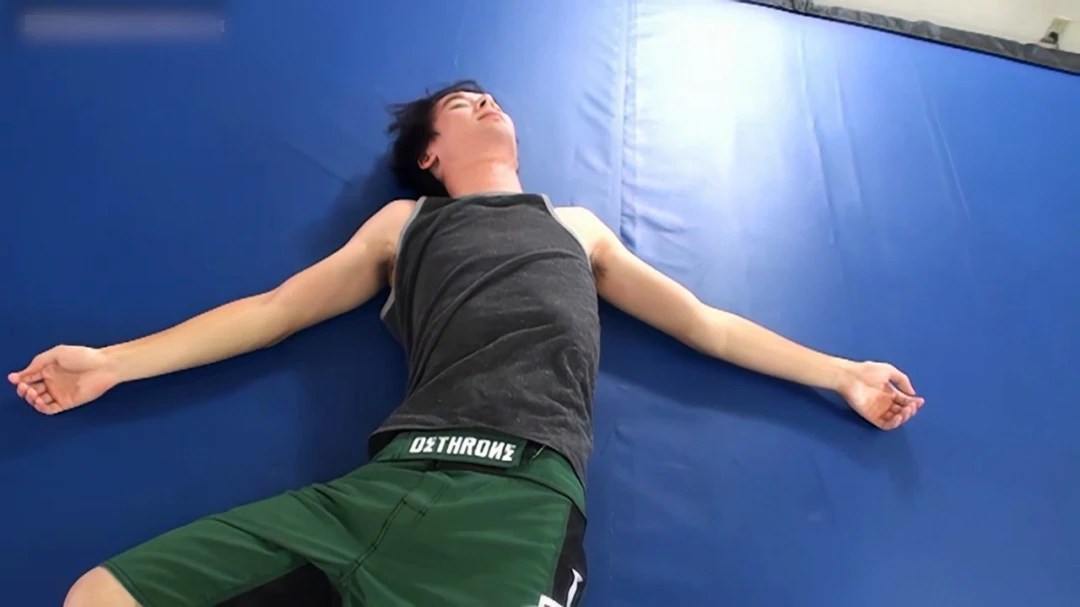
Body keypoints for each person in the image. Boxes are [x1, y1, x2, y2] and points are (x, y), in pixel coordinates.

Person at [9, 80, 925, 607]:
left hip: (515, 505)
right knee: (100, 595)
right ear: (429, 154)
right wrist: (113, 362)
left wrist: (843, 372)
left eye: (491, 97)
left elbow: (705, 322)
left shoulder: (577, 229)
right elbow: (277, 309)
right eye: (462, 103)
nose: (486, 103)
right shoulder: (403, 224)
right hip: (383, 485)